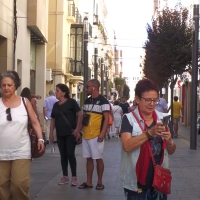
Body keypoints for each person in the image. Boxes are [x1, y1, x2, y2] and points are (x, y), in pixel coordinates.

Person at [120, 79, 176, 200]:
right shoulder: (128, 119)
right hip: (136, 182)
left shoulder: (164, 119)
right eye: (147, 100)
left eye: (155, 100)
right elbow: (127, 146)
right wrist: (150, 133)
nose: (152, 104)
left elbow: (171, 151)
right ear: (138, 99)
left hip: (159, 180)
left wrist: (170, 141)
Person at [0, 70, 45, 200]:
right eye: (4, 85)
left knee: (19, 185)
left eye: (9, 85)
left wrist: (40, 138)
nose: (6, 88)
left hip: (21, 151)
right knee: (2, 187)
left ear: (15, 86)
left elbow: (35, 122)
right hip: (1, 152)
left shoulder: (25, 102)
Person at [78, 79, 109, 190]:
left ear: (94, 87)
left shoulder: (103, 101)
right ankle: (89, 181)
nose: (86, 89)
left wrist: (102, 133)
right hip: (86, 134)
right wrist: (78, 131)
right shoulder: (87, 101)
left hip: (96, 135)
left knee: (98, 158)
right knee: (89, 158)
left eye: (87, 87)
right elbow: (84, 118)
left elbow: (106, 118)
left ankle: (99, 182)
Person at [49, 83, 82, 186]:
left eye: (58, 91)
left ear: (63, 93)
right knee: (63, 155)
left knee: (70, 154)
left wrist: (77, 129)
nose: (56, 93)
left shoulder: (71, 102)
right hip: (60, 134)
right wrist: (51, 134)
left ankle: (74, 177)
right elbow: (53, 120)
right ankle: (65, 176)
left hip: (70, 134)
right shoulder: (55, 105)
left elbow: (80, 114)